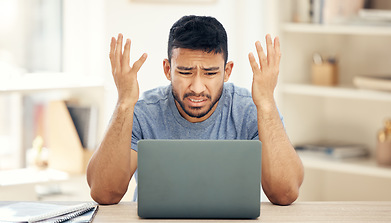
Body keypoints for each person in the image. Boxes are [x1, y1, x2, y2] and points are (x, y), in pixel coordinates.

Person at [86, 15, 304, 206]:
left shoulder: (250, 109)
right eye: (185, 72)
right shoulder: (143, 111)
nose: (197, 88)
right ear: (167, 69)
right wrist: (124, 102)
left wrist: (266, 103)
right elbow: (104, 193)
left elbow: (285, 193)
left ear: (227, 72)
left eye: (210, 73)